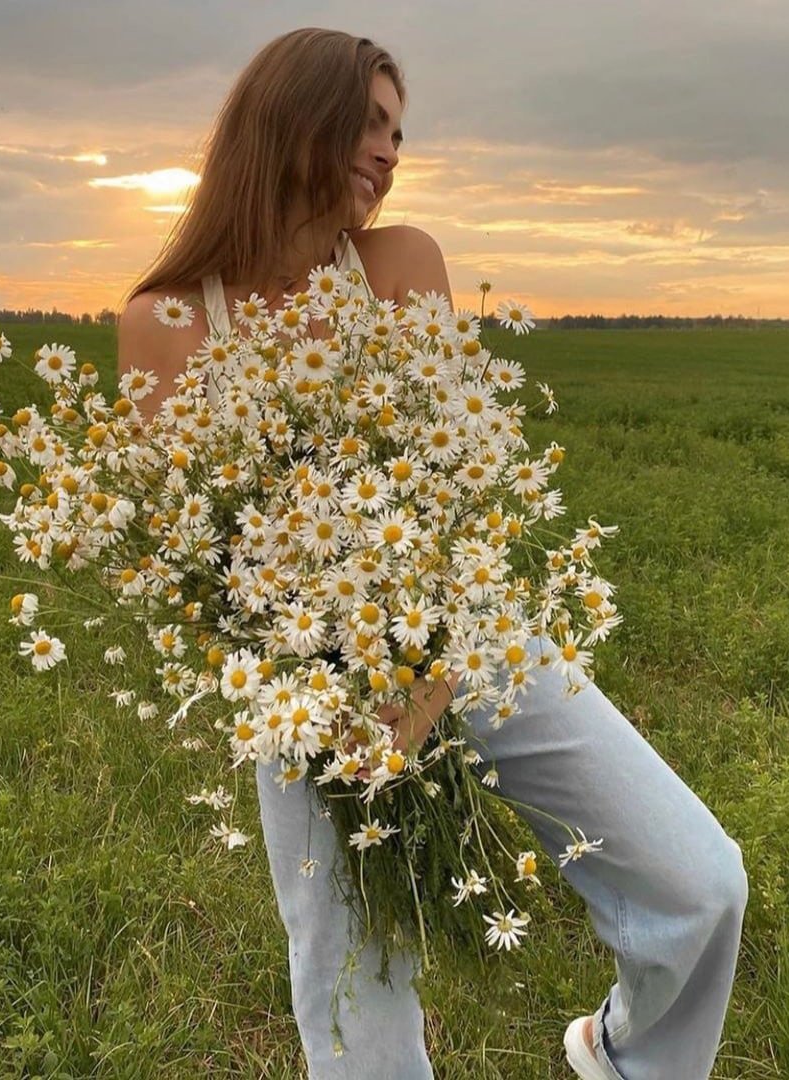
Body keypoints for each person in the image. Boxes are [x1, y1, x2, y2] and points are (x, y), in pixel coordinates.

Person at [117, 28, 748, 1080]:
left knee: (699, 881)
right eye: (369, 122)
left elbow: (459, 494)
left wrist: (430, 685)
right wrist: (351, 705)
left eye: (399, 131)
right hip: (308, 698)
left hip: (471, 633)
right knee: (359, 1003)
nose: (390, 150)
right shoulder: (168, 320)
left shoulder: (402, 264)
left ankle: (625, 1058)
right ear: (289, 118)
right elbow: (206, 565)